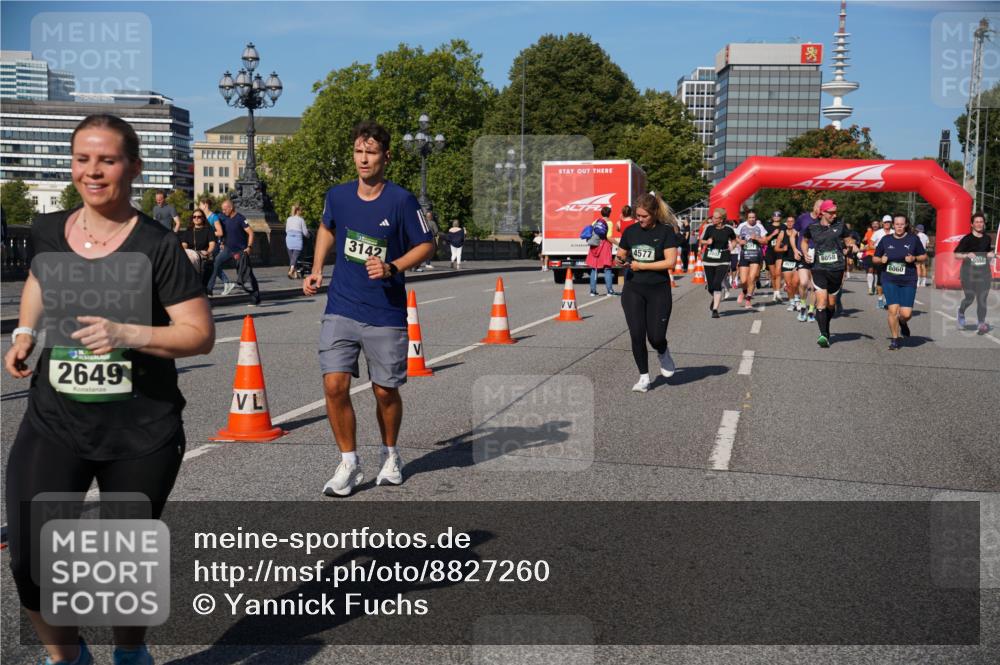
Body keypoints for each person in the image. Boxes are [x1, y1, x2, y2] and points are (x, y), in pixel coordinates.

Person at [3, 113, 213, 665]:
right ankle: (67, 656)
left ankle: (129, 651)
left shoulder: (157, 246)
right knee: (29, 557)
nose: (92, 171)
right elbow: (39, 280)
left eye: (107, 160)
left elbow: (200, 335)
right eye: (82, 159)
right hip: (55, 421)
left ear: (134, 168)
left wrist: (128, 333)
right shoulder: (50, 230)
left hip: (141, 429)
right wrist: (26, 332)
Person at [303, 120, 434, 497]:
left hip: (385, 312)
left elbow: (427, 244)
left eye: (371, 153)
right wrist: (315, 269)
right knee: (334, 383)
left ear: (386, 157)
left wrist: (393, 266)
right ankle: (349, 462)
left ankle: (390, 454)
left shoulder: (401, 200)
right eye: (359, 152)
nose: (364, 159)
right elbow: (327, 227)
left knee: (384, 391)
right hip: (341, 305)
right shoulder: (338, 195)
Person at [615, 192, 680, 392]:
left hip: (658, 290)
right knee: (636, 334)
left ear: (653, 214)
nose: (639, 219)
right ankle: (644, 377)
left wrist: (642, 266)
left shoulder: (666, 232)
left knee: (656, 337)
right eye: (637, 216)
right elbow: (622, 253)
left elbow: (670, 262)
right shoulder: (631, 231)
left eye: (644, 216)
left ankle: (663, 351)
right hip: (633, 289)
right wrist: (620, 258)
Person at [801, 200, 857, 347]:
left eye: (835, 212)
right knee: (822, 301)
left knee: (831, 305)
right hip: (819, 268)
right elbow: (804, 241)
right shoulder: (812, 227)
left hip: (837, 268)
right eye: (831, 212)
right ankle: (823, 335)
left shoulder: (840, 226)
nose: (834, 215)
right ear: (823, 213)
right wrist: (805, 252)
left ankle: (826, 325)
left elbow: (848, 240)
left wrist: (851, 246)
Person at [873, 214, 926, 350]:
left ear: (906, 224)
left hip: (908, 279)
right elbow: (875, 258)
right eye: (896, 224)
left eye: (902, 224)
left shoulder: (913, 239)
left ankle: (903, 323)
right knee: (892, 310)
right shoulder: (886, 240)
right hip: (889, 279)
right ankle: (895, 339)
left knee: (906, 314)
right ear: (893, 225)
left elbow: (923, 256)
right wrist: (881, 260)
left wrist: (914, 258)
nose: (899, 227)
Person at [207, 199, 260, 306]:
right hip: (227, 249)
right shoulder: (222, 217)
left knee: (248, 274)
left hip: (240, 251)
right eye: (222, 209)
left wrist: (249, 247)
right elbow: (216, 223)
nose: (223, 211)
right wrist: (221, 240)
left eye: (225, 209)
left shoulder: (240, 218)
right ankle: (209, 290)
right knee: (215, 263)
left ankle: (256, 297)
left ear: (231, 208)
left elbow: (250, 233)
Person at [954, 212, 996, 335]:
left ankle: (981, 323)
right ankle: (961, 311)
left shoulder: (987, 238)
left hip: (984, 273)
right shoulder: (967, 239)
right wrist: (967, 255)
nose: (979, 224)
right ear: (972, 224)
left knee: (982, 299)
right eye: (976, 222)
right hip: (968, 273)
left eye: (981, 222)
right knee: (970, 298)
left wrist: (990, 254)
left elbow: (986, 253)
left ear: (984, 224)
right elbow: (956, 255)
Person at [698, 208, 736, 318]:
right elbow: (700, 240)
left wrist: (732, 245)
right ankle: (715, 297)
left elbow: (734, 239)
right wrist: (707, 242)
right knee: (711, 286)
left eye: (715, 217)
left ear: (721, 219)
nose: (713, 219)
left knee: (717, 283)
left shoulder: (728, 229)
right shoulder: (708, 228)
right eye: (712, 217)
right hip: (709, 259)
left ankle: (715, 309)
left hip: (723, 259)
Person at [791, 199, 822, 323]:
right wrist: (794, 250)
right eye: (820, 207)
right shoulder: (803, 218)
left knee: (814, 286)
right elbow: (793, 235)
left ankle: (810, 311)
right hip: (803, 254)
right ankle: (803, 306)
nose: (821, 210)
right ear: (814, 207)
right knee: (803, 283)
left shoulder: (824, 221)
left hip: (818, 256)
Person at [197, 197, 233, 295]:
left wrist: (209, 233)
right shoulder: (203, 217)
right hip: (206, 245)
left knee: (210, 266)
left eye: (200, 204)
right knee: (212, 266)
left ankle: (208, 289)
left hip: (214, 245)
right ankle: (226, 282)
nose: (199, 206)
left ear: (205, 205)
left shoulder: (214, 217)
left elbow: (220, 232)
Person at [180, 208, 216, 293]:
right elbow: (184, 244)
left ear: (203, 218)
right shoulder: (189, 231)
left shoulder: (208, 230)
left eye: (199, 217)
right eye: (194, 217)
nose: (196, 218)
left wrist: (207, 252)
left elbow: (212, 245)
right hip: (192, 257)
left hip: (204, 257)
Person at [735, 210, 766, 309]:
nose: (752, 219)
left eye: (753, 217)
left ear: (755, 218)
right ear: (747, 218)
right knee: (744, 281)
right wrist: (740, 241)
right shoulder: (742, 226)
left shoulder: (759, 227)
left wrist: (757, 238)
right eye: (750, 218)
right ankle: (743, 292)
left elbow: (765, 240)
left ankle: (748, 300)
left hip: (756, 256)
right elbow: (735, 238)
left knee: (752, 278)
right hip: (744, 255)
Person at [586, 207, 617, 296]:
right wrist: (618, 244)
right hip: (604, 246)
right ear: (609, 213)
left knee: (594, 268)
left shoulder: (595, 221)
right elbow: (609, 237)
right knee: (607, 268)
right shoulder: (609, 223)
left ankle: (592, 291)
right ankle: (610, 291)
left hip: (594, 246)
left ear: (601, 213)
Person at [777, 216, 800, 310]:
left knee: (796, 283)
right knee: (789, 284)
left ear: (795, 223)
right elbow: (776, 248)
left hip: (797, 260)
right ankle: (791, 302)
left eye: (792, 221)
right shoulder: (782, 233)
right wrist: (783, 249)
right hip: (786, 261)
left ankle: (797, 301)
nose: (790, 223)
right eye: (788, 221)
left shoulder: (798, 233)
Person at [870, 215, 893, 309]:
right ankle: (880, 300)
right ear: (882, 223)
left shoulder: (894, 232)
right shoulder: (878, 233)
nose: (887, 224)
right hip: (880, 259)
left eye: (889, 222)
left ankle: (888, 300)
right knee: (881, 280)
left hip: (892, 259)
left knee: (891, 280)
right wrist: (879, 248)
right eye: (886, 222)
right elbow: (870, 244)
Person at [763, 210, 786, 304]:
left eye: (778, 215)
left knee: (778, 273)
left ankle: (778, 293)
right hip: (770, 252)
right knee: (773, 274)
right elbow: (764, 240)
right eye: (775, 215)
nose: (776, 217)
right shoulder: (767, 226)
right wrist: (773, 234)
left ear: (780, 217)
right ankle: (775, 293)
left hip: (780, 251)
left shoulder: (783, 227)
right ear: (772, 217)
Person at [285, 203, 310, 279]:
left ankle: (295, 274)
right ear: (298, 211)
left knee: (292, 258)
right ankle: (291, 271)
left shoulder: (289, 219)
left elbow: (286, 230)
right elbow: (305, 232)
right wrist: (308, 236)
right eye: (301, 210)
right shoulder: (301, 220)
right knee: (295, 257)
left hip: (289, 239)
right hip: (297, 240)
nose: (301, 212)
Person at [862, 219, 879, 295]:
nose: (875, 225)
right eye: (873, 224)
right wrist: (864, 242)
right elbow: (864, 240)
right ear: (871, 225)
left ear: (879, 225)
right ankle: (870, 288)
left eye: (876, 224)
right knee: (870, 270)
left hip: (879, 254)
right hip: (869, 253)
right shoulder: (868, 232)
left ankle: (875, 287)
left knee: (876, 272)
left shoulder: (881, 232)